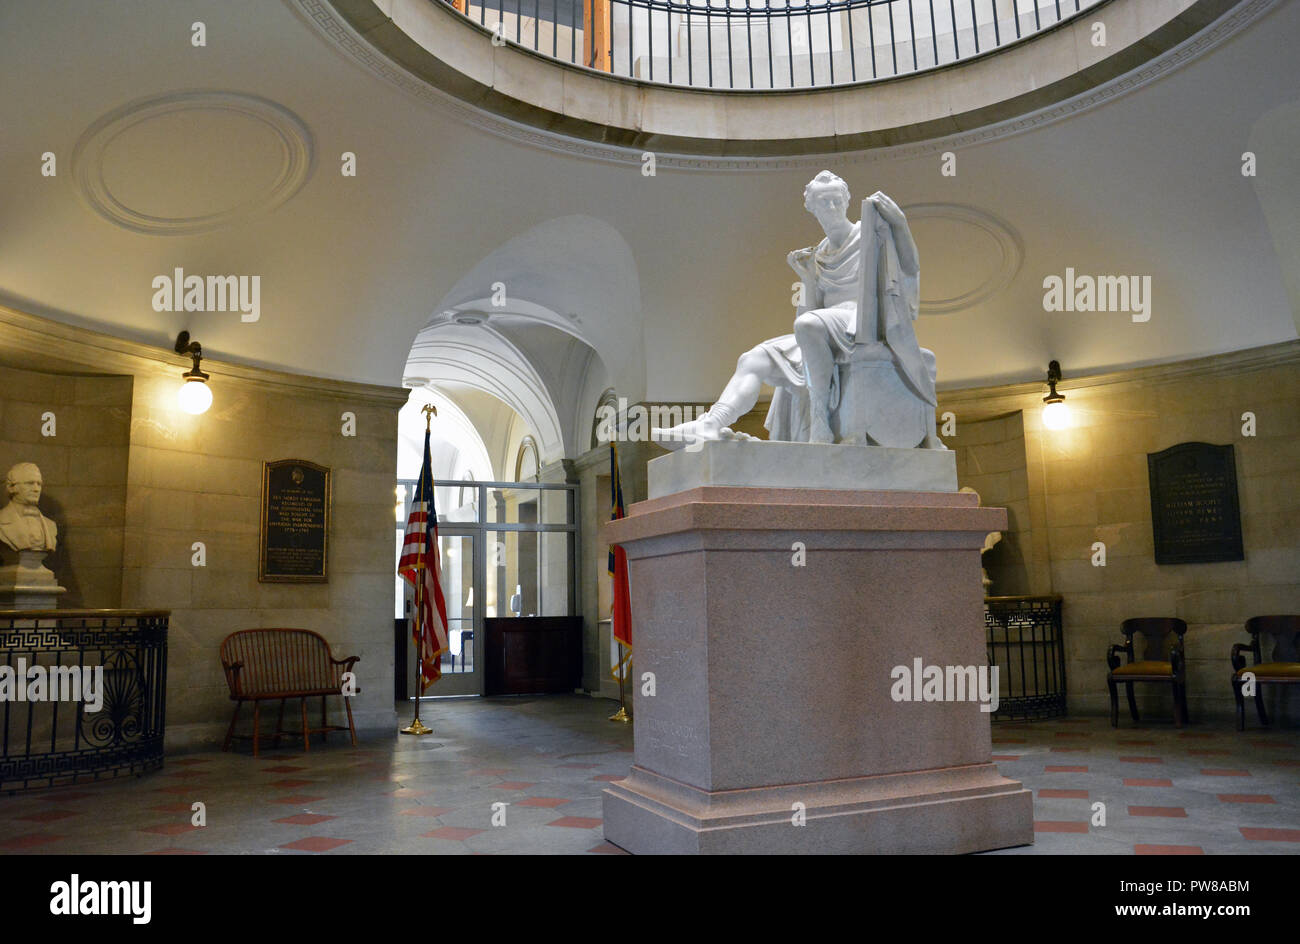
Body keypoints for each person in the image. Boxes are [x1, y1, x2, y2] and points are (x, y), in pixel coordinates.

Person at [653, 170, 941, 449]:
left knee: (809, 327)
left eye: (836, 200)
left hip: (859, 323)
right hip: (824, 327)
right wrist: (807, 279)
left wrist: (900, 224)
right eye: (823, 202)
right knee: (753, 358)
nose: (831, 206)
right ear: (812, 209)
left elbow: (908, 266)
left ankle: (820, 421)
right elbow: (806, 319)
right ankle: (712, 423)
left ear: (846, 201)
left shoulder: (869, 236)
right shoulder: (819, 253)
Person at [0, 462, 58, 553]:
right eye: (30, 483)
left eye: (39, 484)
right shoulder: (2, 520)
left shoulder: (51, 525)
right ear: (12, 487)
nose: (36, 489)